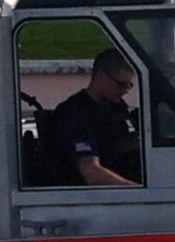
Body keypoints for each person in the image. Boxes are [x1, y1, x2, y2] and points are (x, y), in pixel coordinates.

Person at [53, 47, 143, 187]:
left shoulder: (116, 106)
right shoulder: (75, 113)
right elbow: (91, 171)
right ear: (102, 76)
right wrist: (136, 189)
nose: (125, 91)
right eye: (121, 85)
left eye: (129, 85)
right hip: (112, 195)